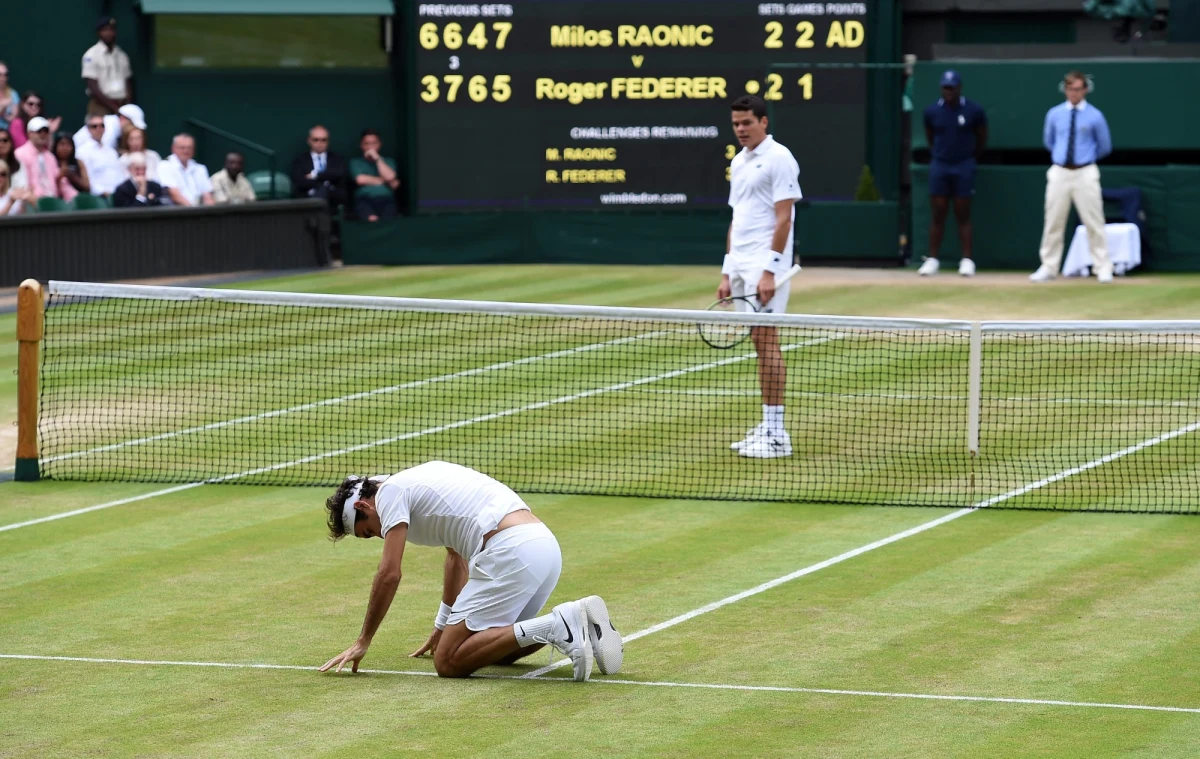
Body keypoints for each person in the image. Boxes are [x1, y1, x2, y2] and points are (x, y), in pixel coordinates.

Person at [318, 461, 623, 682]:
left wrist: (363, 640)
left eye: (368, 532)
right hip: (542, 547)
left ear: (362, 506)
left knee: (449, 662)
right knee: (493, 649)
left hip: (510, 552)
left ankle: (560, 623)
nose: (379, 536)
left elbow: (389, 573)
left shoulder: (390, 493)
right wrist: (442, 626)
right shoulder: (416, 481)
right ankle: (582, 623)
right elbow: (455, 557)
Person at [720, 95, 802, 460]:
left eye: (747, 122)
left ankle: (777, 433)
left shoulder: (780, 158)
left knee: (767, 344)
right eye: (736, 123)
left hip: (765, 268)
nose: (740, 129)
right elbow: (737, 218)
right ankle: (768, 424)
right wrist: (726, 270)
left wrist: (769, 270)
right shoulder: (738, 161)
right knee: (759, 344)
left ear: (763, 122)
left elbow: (784, 218)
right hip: (740, 264)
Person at [1031, 71, 1114, 283]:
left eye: (1078, 89)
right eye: (1070, 89)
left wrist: (1084, 159)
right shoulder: (1054, 114)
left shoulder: (1095, 115)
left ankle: (1103, 267)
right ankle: (1049, 267)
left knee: (1094, 221)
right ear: (1065, 90)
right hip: (1059, 172)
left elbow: (1104, 146)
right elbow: (1049, 141)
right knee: (1053, 221)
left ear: (1085, 90)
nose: (1074, 93)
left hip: (1085, 172)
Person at [918, 70, 987, 277]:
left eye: (952, 87)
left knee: (963, 212)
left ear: (959, 88)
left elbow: (981, 138)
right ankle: (932, 260)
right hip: (940, 165)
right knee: (938, 212)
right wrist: (941, 155)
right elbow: (930, 136)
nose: (948, 91)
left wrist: (968, 157)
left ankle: (966, 260)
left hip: (964, 165)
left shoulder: (973, 110)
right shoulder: (931, 111)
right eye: (945, 87)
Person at [82, 16, 134, 117]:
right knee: (100, 130)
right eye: (105, 30)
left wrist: (127, 103)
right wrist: (113, 107)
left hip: (121, 103)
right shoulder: (91, 54)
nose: (108, 33)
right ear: (99, 33)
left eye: (111, 30)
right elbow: (92, 86)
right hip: (100, 104)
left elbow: (128, 81)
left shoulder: (122, 55)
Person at [290, 125, 347, 211]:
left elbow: (338, 175)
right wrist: (324, 181)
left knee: (325, 190)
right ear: (309, 140)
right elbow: (300, 182)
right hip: (308, 199)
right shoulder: (300, 160)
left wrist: (315, 175)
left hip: (333, 199)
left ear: (328, 141)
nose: (319, 143)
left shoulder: (337, 159)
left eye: (323, 140)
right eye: (316, 140)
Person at [350, 128, 400, 221]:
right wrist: (385, 181)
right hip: (365, 199)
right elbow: (360, 180)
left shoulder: (389, 161)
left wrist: (377, 159)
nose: (370, 147)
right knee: (372, 220)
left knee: (387, 223)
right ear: (361, 145)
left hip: (387, 200)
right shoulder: (356, 162)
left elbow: (390, 177)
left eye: (374, 143)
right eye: (367, 144)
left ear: (379, 144)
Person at [76, 114, 127, 197]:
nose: (99, 129)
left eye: (102, 125)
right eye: (94, 126)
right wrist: (104, 193)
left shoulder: (111, 152)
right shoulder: (82, 151)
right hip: (98, 198)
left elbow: (119, 175)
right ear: (88, 129)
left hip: (119, 196)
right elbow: (89, 181)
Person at [158, 133, 214, 207]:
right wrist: (194, 210)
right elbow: (175, 195)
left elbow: (207, 196)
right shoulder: (165, 165)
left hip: (199, 212)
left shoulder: (200, 168)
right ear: (173, 148)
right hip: (177, 212)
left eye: (189, 148)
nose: (186, 151)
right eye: (182, 147)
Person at [14, 117, 59, 200]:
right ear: (29, 133)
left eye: (46, 131)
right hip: (31, 203)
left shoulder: (50, 157)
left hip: (52, 202)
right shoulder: (19, 154)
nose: (43, 134)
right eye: (39, 131)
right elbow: (23, 185)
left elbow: (59, 182)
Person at [74, 103, 145, 154]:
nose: (132, 129)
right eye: (131, 124)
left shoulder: (111, 124)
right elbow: (103, 153)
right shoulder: (109, 127)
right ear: (123, 118)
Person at [53, 133, 90, 203]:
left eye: (68, 145)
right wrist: (60, 176)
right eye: (62, 144)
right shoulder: (51, 161)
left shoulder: (79, 163)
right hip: (58, 199)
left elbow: (87, 187)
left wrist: (72, 176)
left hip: (79, 200)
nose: (65, 148)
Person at [0, 62, 19, 130]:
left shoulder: (13, 94)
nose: (3, 78)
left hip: (6, 133)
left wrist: (3, 114)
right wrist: (2, 106)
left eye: (5, 75)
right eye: (0, 75)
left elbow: (13, 118)